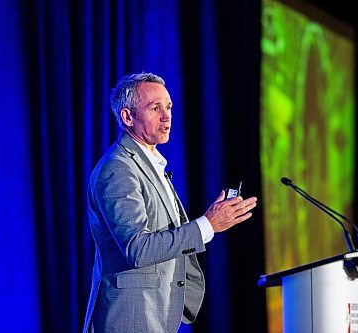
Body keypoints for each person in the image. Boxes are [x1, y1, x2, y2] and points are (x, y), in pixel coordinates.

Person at [83, 72, 258, 332]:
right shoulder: (118, 169)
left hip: (155, 314)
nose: (167, 117)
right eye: (155, 108)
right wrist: (207, 225)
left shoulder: (150, 163)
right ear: (127, 117)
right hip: (129, 319)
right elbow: (139, 248)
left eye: (168, 107)